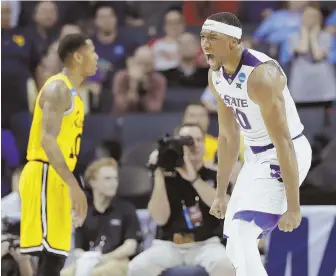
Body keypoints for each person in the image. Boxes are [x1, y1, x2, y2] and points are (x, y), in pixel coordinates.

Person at [200, 12, 312, 276]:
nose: (205, 44)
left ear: (233, 42)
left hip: (285, 152)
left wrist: (294, 208)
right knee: (233, 242)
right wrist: (220, 192)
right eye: (203, 37)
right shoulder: (216, 76)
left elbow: (283, 142)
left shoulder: (261, 76)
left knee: (242, 232)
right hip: (255, 157)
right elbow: (228, 137)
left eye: (212, 38)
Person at [19, 33, 98, 276]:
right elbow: (47, 140)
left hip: (59, 177)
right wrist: (74, 185)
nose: (96, 57)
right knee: (48, 256)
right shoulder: (57, 89)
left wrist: (72, 184)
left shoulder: (75, 94)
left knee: (56, 259)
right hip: (44, 172)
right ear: (77, 56)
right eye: (92, 51)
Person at [128, 123, 235, 276]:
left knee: (226, 265)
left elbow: (224, 208)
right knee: (137, 267)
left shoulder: (216, 177)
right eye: (188, 141)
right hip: (169, 245)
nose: (195, 145)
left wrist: (194, 179)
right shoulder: (165, 178)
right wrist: (158, 172)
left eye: (199, 140)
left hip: (206, 244)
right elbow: (159, 218)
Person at [61, 158, 140, 276]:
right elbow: (78, 249)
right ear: (93, 182)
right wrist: (88, 258)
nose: (114, 183)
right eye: (108, 179)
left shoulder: (126, 209)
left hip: (118, 261)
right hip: (89, 260)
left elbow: (130, 246)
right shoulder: (84, 211)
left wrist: (104, 258)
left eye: (115, 178)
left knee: (99, 273)